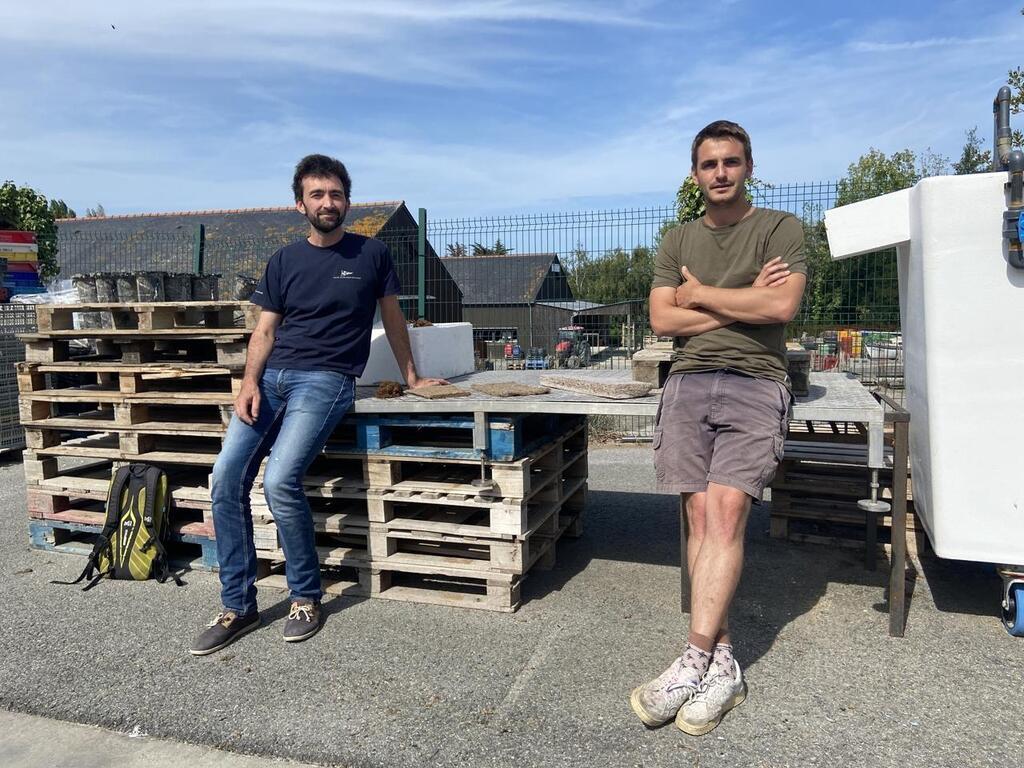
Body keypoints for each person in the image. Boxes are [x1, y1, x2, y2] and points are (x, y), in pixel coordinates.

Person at [191, 154, 445, 655]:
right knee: (224, 479)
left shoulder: (370, 254)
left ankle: (306, 597)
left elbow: (393, 319)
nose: (328, 203)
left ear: (347, 200)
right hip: (274, 379)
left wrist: (410, 375)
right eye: (317, 194)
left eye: (336, 194)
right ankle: (237, 605)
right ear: (300, 204)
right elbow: (264, 330)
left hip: (326, 381)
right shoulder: (284, 260)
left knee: (282, 478)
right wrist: (249, 383)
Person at [630, 121, 806, 734]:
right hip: (687, 382)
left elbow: (780, 308)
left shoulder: (779, 228)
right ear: (695, 173)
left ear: (749, 167)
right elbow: (660, 320)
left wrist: (698, 297)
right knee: (698, 521)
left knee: (727, 514)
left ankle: (693, 657)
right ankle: (724, 662)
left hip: (757, 381)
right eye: (709, 164)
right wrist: (732, 298)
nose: (721, 173)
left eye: (732, 162)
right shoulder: (677, 238)